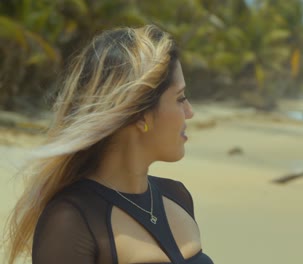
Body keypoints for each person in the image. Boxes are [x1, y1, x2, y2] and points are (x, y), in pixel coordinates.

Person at [4, 24, 214, 264]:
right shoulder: (73, 220)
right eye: (180, 98)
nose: (190, 112)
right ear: (140, 114)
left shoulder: (177, 196)